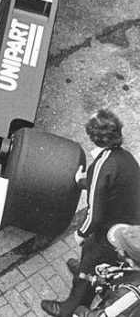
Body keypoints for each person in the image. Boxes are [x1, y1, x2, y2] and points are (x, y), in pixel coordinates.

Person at [42, 110, 140, 317]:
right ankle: (86, 268)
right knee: (91, 257)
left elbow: (94, 214)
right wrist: (82, 181)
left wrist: (81, 233)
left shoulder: (102, 164)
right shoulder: (125, 157)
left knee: (88, 270)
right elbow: (105, 186)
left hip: (110, 234)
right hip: (128, 227)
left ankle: (68, 309)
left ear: (94, 136)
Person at [74, 224, 140, 316]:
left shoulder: (126, 298)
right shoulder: (135, 266)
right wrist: (113, 272)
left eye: (120, 248)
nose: (116, 249)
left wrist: (80, 312)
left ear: (131, 261)